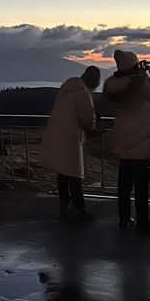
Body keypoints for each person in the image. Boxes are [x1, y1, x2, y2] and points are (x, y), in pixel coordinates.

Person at [103, 50, 150, 233]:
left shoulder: (114, 84)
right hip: (142, 141)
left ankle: (124, 219)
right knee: (141, 187)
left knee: (124, 186)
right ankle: (143, 222)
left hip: (123, 141)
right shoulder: (141, 84)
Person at [41, 66, 101, 221]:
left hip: (59, 134)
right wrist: (93, 130)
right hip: (73, 137)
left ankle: (64, 206)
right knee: (75, 174)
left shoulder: (67, 88)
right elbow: (87, 118)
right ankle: (79, 210)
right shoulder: (83, 93)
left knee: (63, 172)